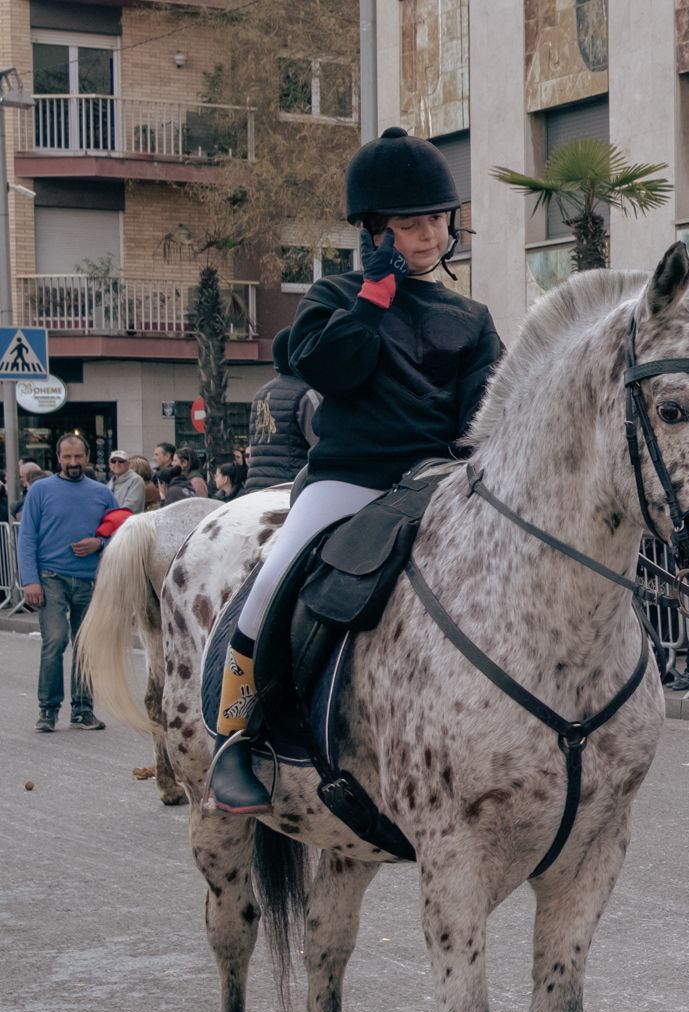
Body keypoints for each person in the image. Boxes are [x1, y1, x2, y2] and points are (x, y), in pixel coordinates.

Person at [209, 126, 503, 815]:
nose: (429, 234)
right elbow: (327, 366)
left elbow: (484, 414)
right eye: (410, 223)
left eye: (436, 218)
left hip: (438, 484)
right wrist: (371, 300)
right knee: (274, 579)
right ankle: (237, 736)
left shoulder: (472, 317)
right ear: (376, 230)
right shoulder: (334, 297)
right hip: (349, 480)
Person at [17, 433, 120, 732]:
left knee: (86, 647)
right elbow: (27, 538)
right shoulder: (39, 490)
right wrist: (30, 581)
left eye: (78, 457)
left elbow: (122, 531)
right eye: (67, 457)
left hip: (90, 582)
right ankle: (48, 710)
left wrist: (99, 544)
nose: (73, 463)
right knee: (56, 640)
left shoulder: (103, 493)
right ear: (58, 458)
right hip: (51, 579)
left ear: (87, 457)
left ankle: (83, 710)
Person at [240, 327, 319, 495]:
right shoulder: (306, 394)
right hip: (289, 492)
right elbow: (322, 446)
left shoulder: (260, 394)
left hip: (255, 491)